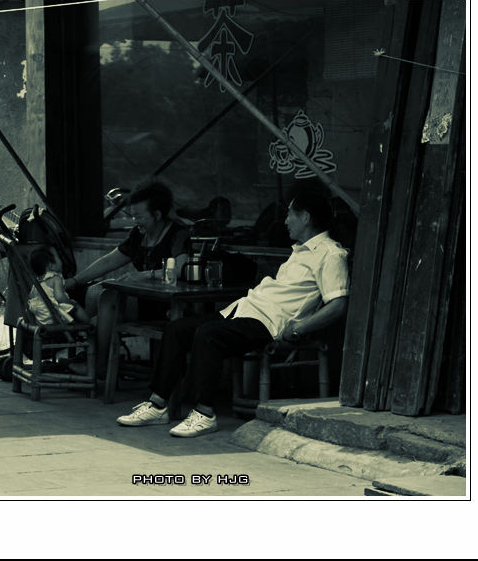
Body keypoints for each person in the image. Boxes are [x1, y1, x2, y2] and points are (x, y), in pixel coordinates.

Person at [116, 191, 350, 438]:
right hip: (245, 309)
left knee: (208, 335)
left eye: (290, 214)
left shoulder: (331, 254)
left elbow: (337, 305)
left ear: (305, 217)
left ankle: (204, 413)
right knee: (177, 329)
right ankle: (157, 405)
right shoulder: (301, 251)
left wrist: (299, 328)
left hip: (270, 323)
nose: (285, 220)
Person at [65, 181, 190, 375]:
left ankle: (99, 365)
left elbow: (181, 269)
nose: (135, 221)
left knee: (107, 298)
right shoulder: (138, 235)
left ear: (157, 215)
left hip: (166, 304)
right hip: (141, 299)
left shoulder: (178, 234)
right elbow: (109, 261)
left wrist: (143, 275)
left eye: (139, 216)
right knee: (93, 293)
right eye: (133, 216)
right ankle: (92, 356)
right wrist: (74, 281)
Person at [28, 246, 90, 325]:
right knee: (75, 306)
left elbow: (31, 296)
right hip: (53, 315)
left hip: (41, 317)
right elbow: (59, 297)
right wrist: (70, 302)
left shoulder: (36, 282)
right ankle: (88, 324)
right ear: (50, 265)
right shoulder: (55, 278)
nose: (61, 260)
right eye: (58, 258)